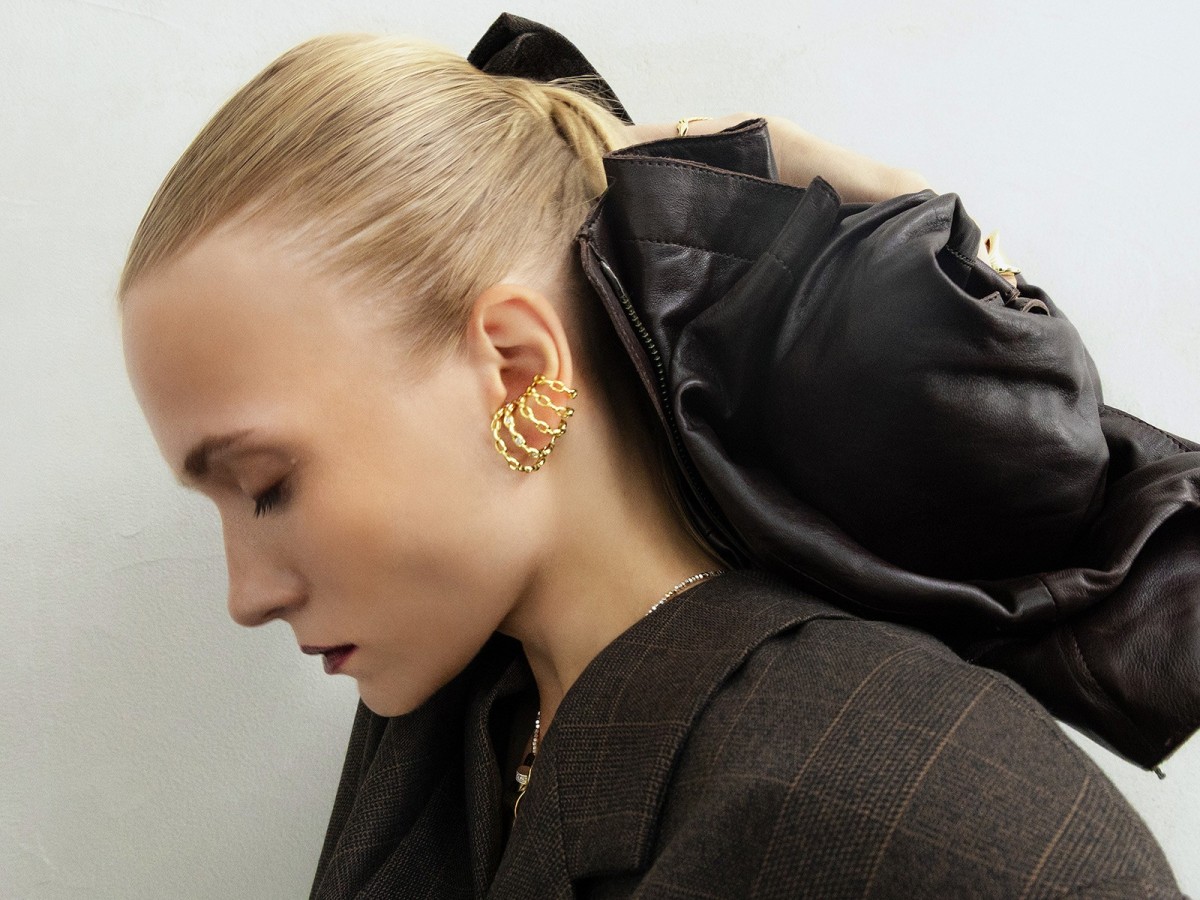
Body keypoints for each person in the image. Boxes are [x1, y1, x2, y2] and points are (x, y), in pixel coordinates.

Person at [117, 26, 1186, 899]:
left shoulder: (920, 799)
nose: (245, 595)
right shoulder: (461, 717)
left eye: (269, 486)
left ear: (516, 365)